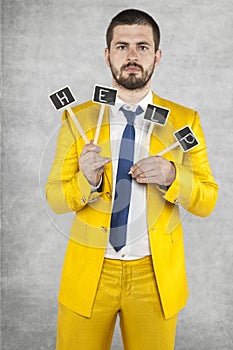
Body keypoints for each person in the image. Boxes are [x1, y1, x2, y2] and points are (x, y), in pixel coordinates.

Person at [46, 9, 218, 350]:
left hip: (154, 278)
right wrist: (87, 182)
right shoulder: (78, 120)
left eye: (142, 46)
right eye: (122, 46)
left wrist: (173, 176)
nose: (132, 56)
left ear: (157, 55)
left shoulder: (185, 120)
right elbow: (55, 197)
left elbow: (207, 200)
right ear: (107, 54)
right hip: (89, 275)